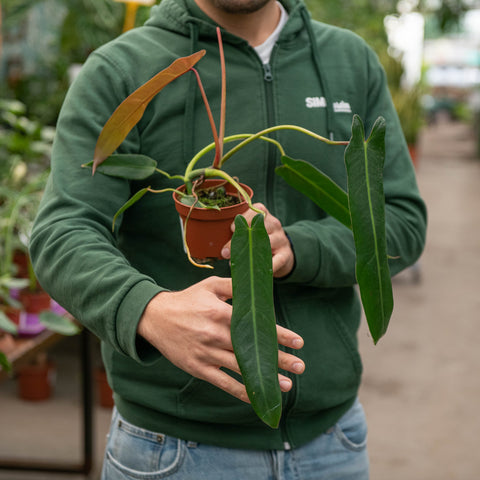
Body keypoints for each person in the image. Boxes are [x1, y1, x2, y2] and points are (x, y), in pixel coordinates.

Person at [29, 0, 427, 478]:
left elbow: (400, 220)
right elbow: (62, 231)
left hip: (332, 441)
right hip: (174, 449)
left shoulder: (349, 60)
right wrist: (148, 309)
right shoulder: (124, 69)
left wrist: (301, 247)